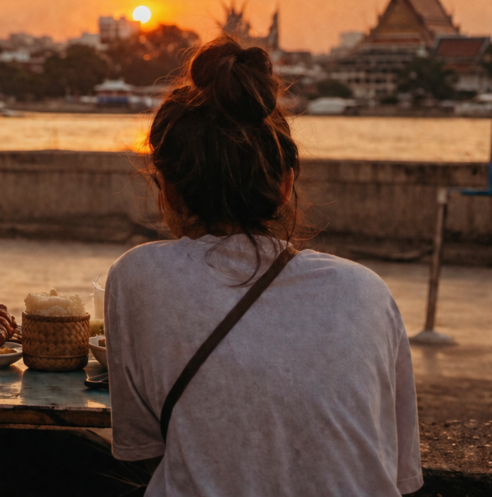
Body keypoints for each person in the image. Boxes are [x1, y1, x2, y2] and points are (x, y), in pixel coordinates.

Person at [105, 36, 423, 496]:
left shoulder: (138, 277)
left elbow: (142, 450)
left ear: (168, 191)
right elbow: (398, 475)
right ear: (285, 183)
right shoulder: (366, 290)